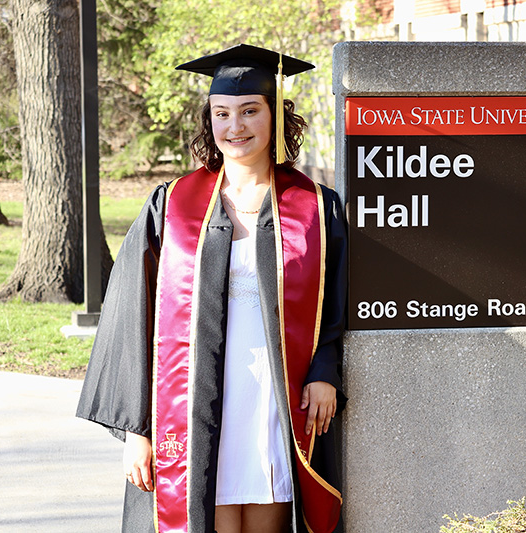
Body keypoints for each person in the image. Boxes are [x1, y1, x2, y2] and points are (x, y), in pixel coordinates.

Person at [76, 44, 347, 533]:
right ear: (210, 119)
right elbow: (133, 316)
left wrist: (324, 371)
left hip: (274, 395)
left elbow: (335, 301)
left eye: (249, 111)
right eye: (222, 113)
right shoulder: (173, 205)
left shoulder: (314, 208)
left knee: (269, 507)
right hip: (195, 397)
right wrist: (137, 429)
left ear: (275, 117)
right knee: (205, 507)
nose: (235, 126)